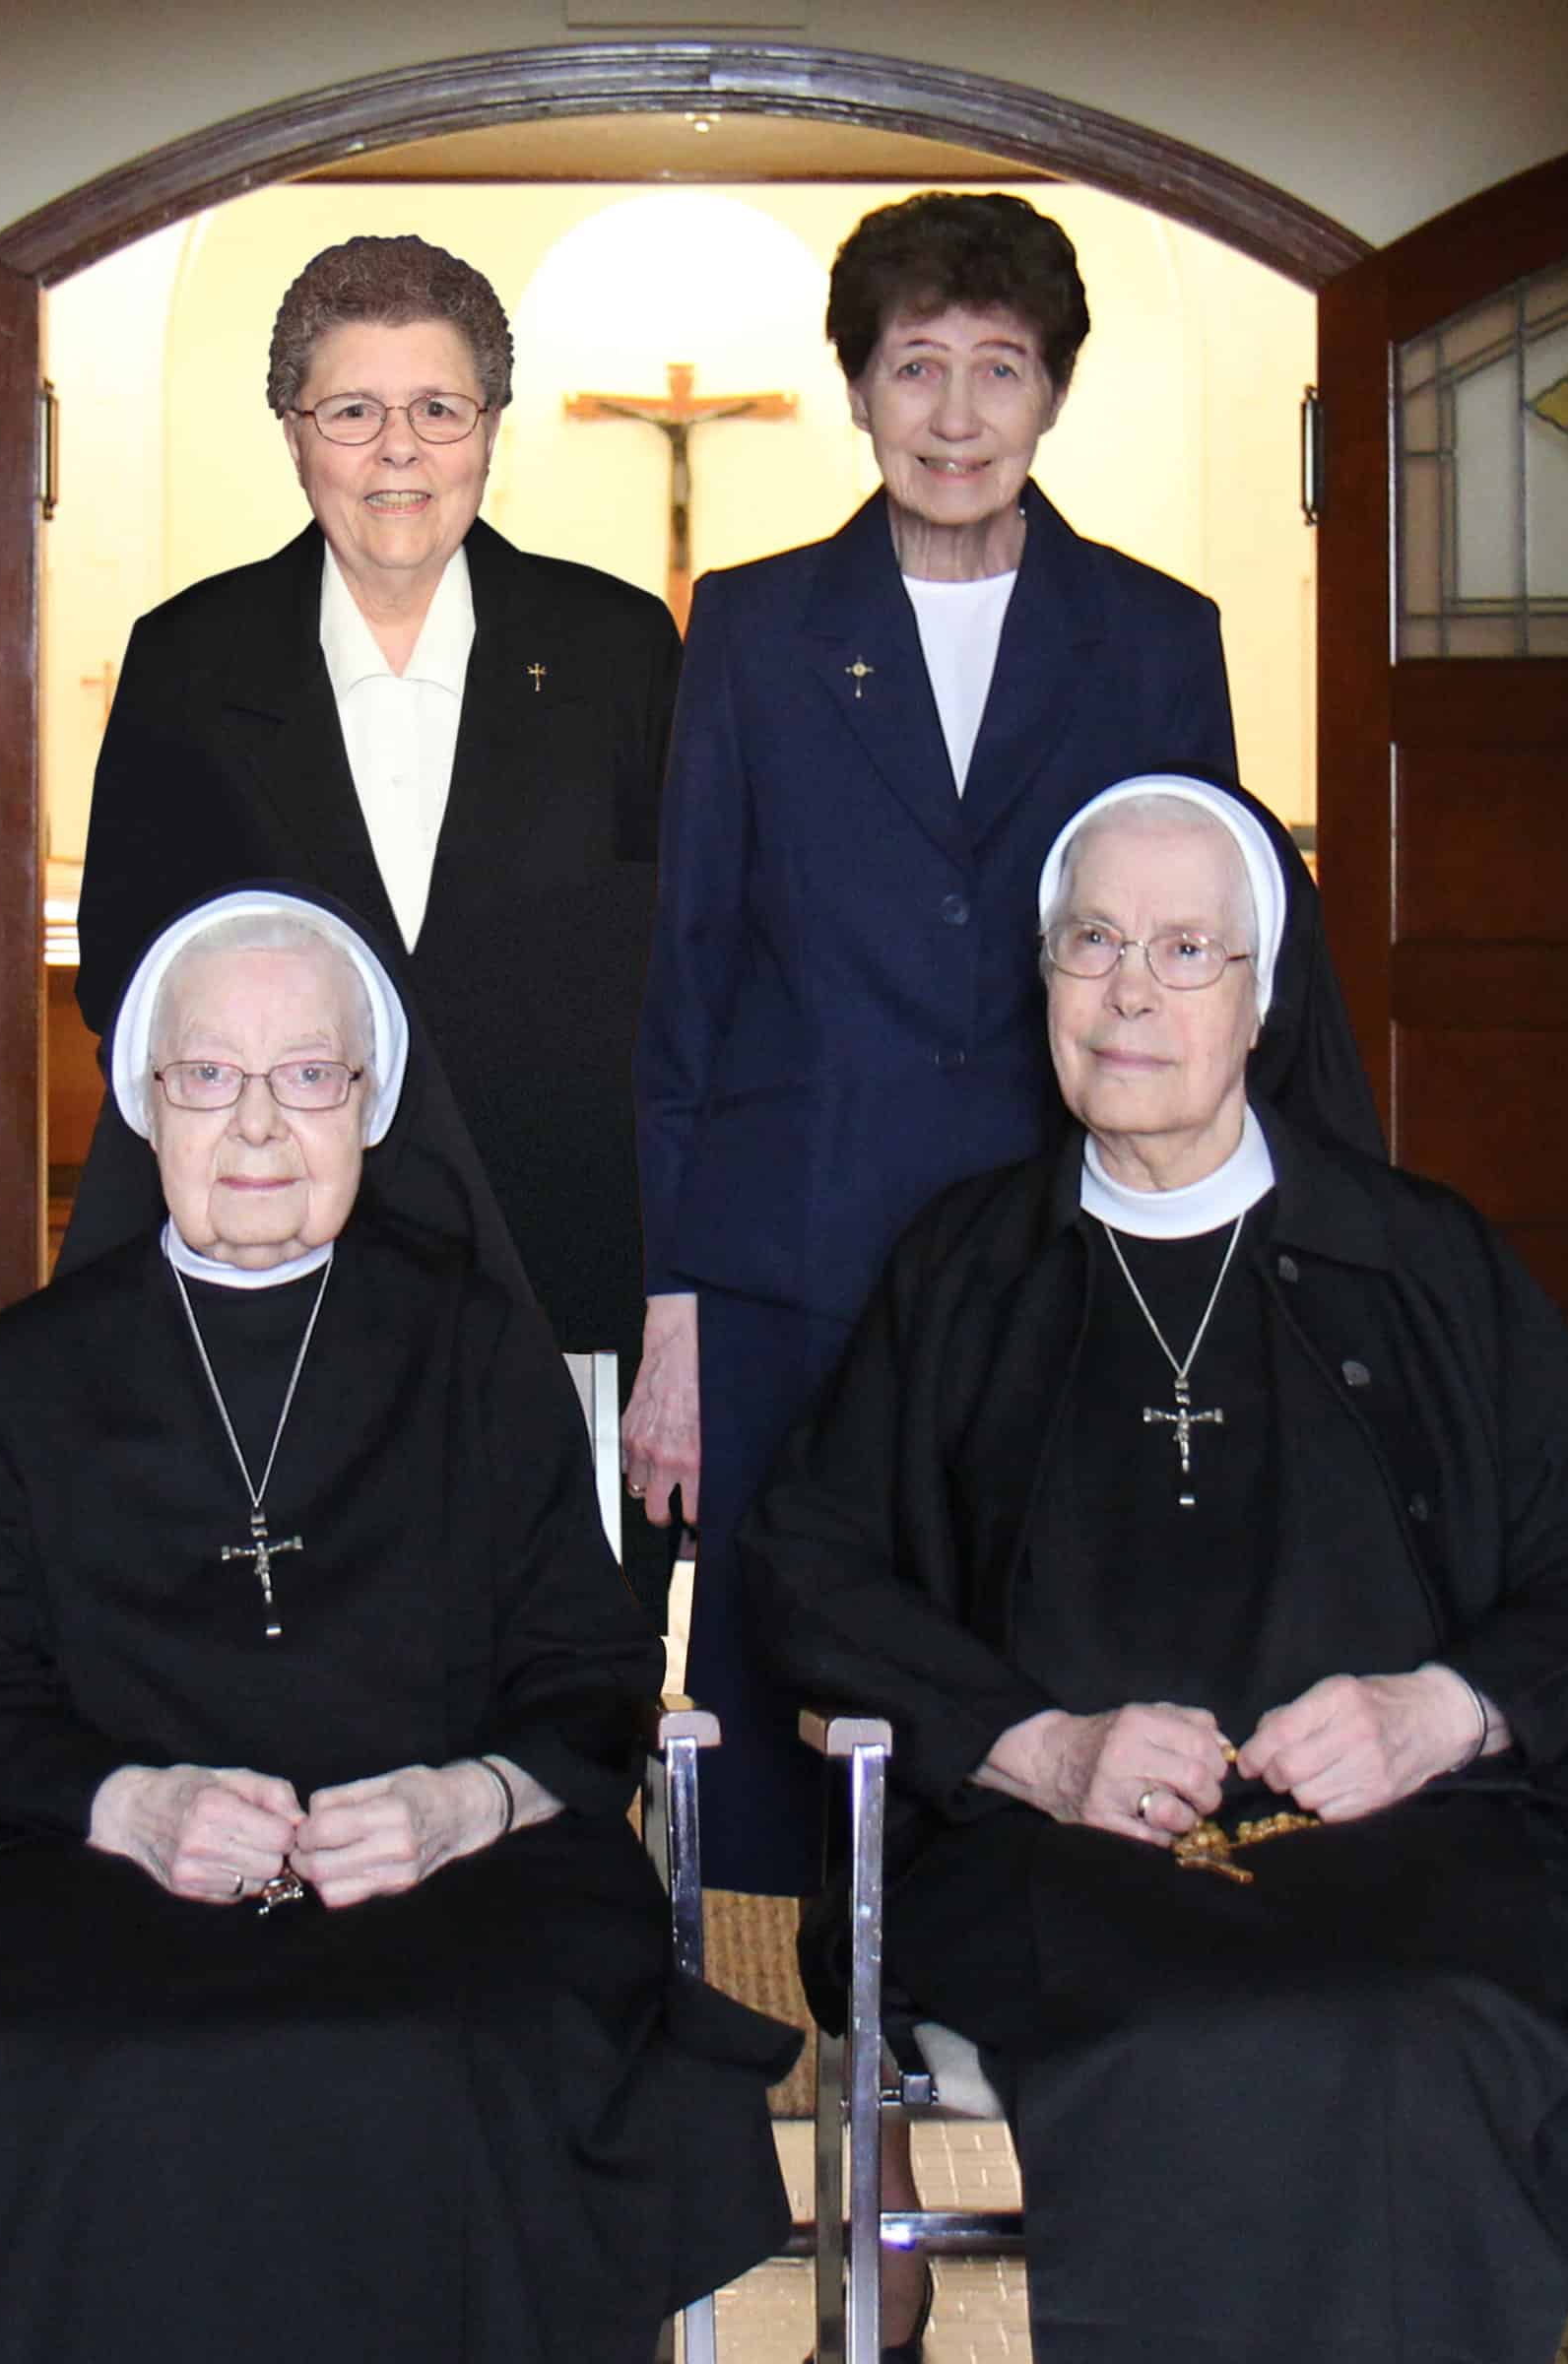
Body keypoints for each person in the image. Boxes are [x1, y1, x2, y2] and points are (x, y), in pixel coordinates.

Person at [742, 775, 1568, 2364]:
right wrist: (1042, 1748)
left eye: (1188, 951)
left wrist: (1444, 1709)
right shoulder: (965, 1269)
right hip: (1064, 1851)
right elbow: (812, 1566)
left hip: (1426, 1831)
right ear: (1042, 982)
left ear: (1262, 999)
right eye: (1093, 943)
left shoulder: (1422, 1257)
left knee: (1426, 2025)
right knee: (1191, 2030)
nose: (1130, 992)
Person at [0, 887, 797, 2364]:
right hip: (102, 1876)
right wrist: (131, 1803)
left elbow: (593, 1663)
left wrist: (466, 1800)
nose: (254, 1130)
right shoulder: (23, 1376)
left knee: (484, 2047)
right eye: (208, 1077)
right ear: (144, 1104)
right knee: (93, 2060)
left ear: (370, 1108)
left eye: (307, 1078)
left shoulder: (479, 1352)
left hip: (451, 1874)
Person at [627, 193, 1379, 1900]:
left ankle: (1000, 1993)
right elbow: (685, 977)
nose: (956, 415)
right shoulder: (747, 627)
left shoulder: (1153, 633)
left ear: (1051, 396)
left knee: (1028, 1630)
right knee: (769, 1666)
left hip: (1058, 1243)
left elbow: (1204, 970)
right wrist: (671, 1309)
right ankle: (775, 2023)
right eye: (915, 368)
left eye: (1000, 369)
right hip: (785, 1247)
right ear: (859, 389)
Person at [70, 231, 681, 1611]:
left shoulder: (616, 651)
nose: (397, 451)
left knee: (555, 1687)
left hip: (563, 1275)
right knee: (313, 1673)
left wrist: (676, 1308)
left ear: (490, 430)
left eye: (438, 410)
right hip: (284, 1280)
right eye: (352, 411)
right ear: (294, 434)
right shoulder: (188, 658)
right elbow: (128, 979)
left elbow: (686, 987)